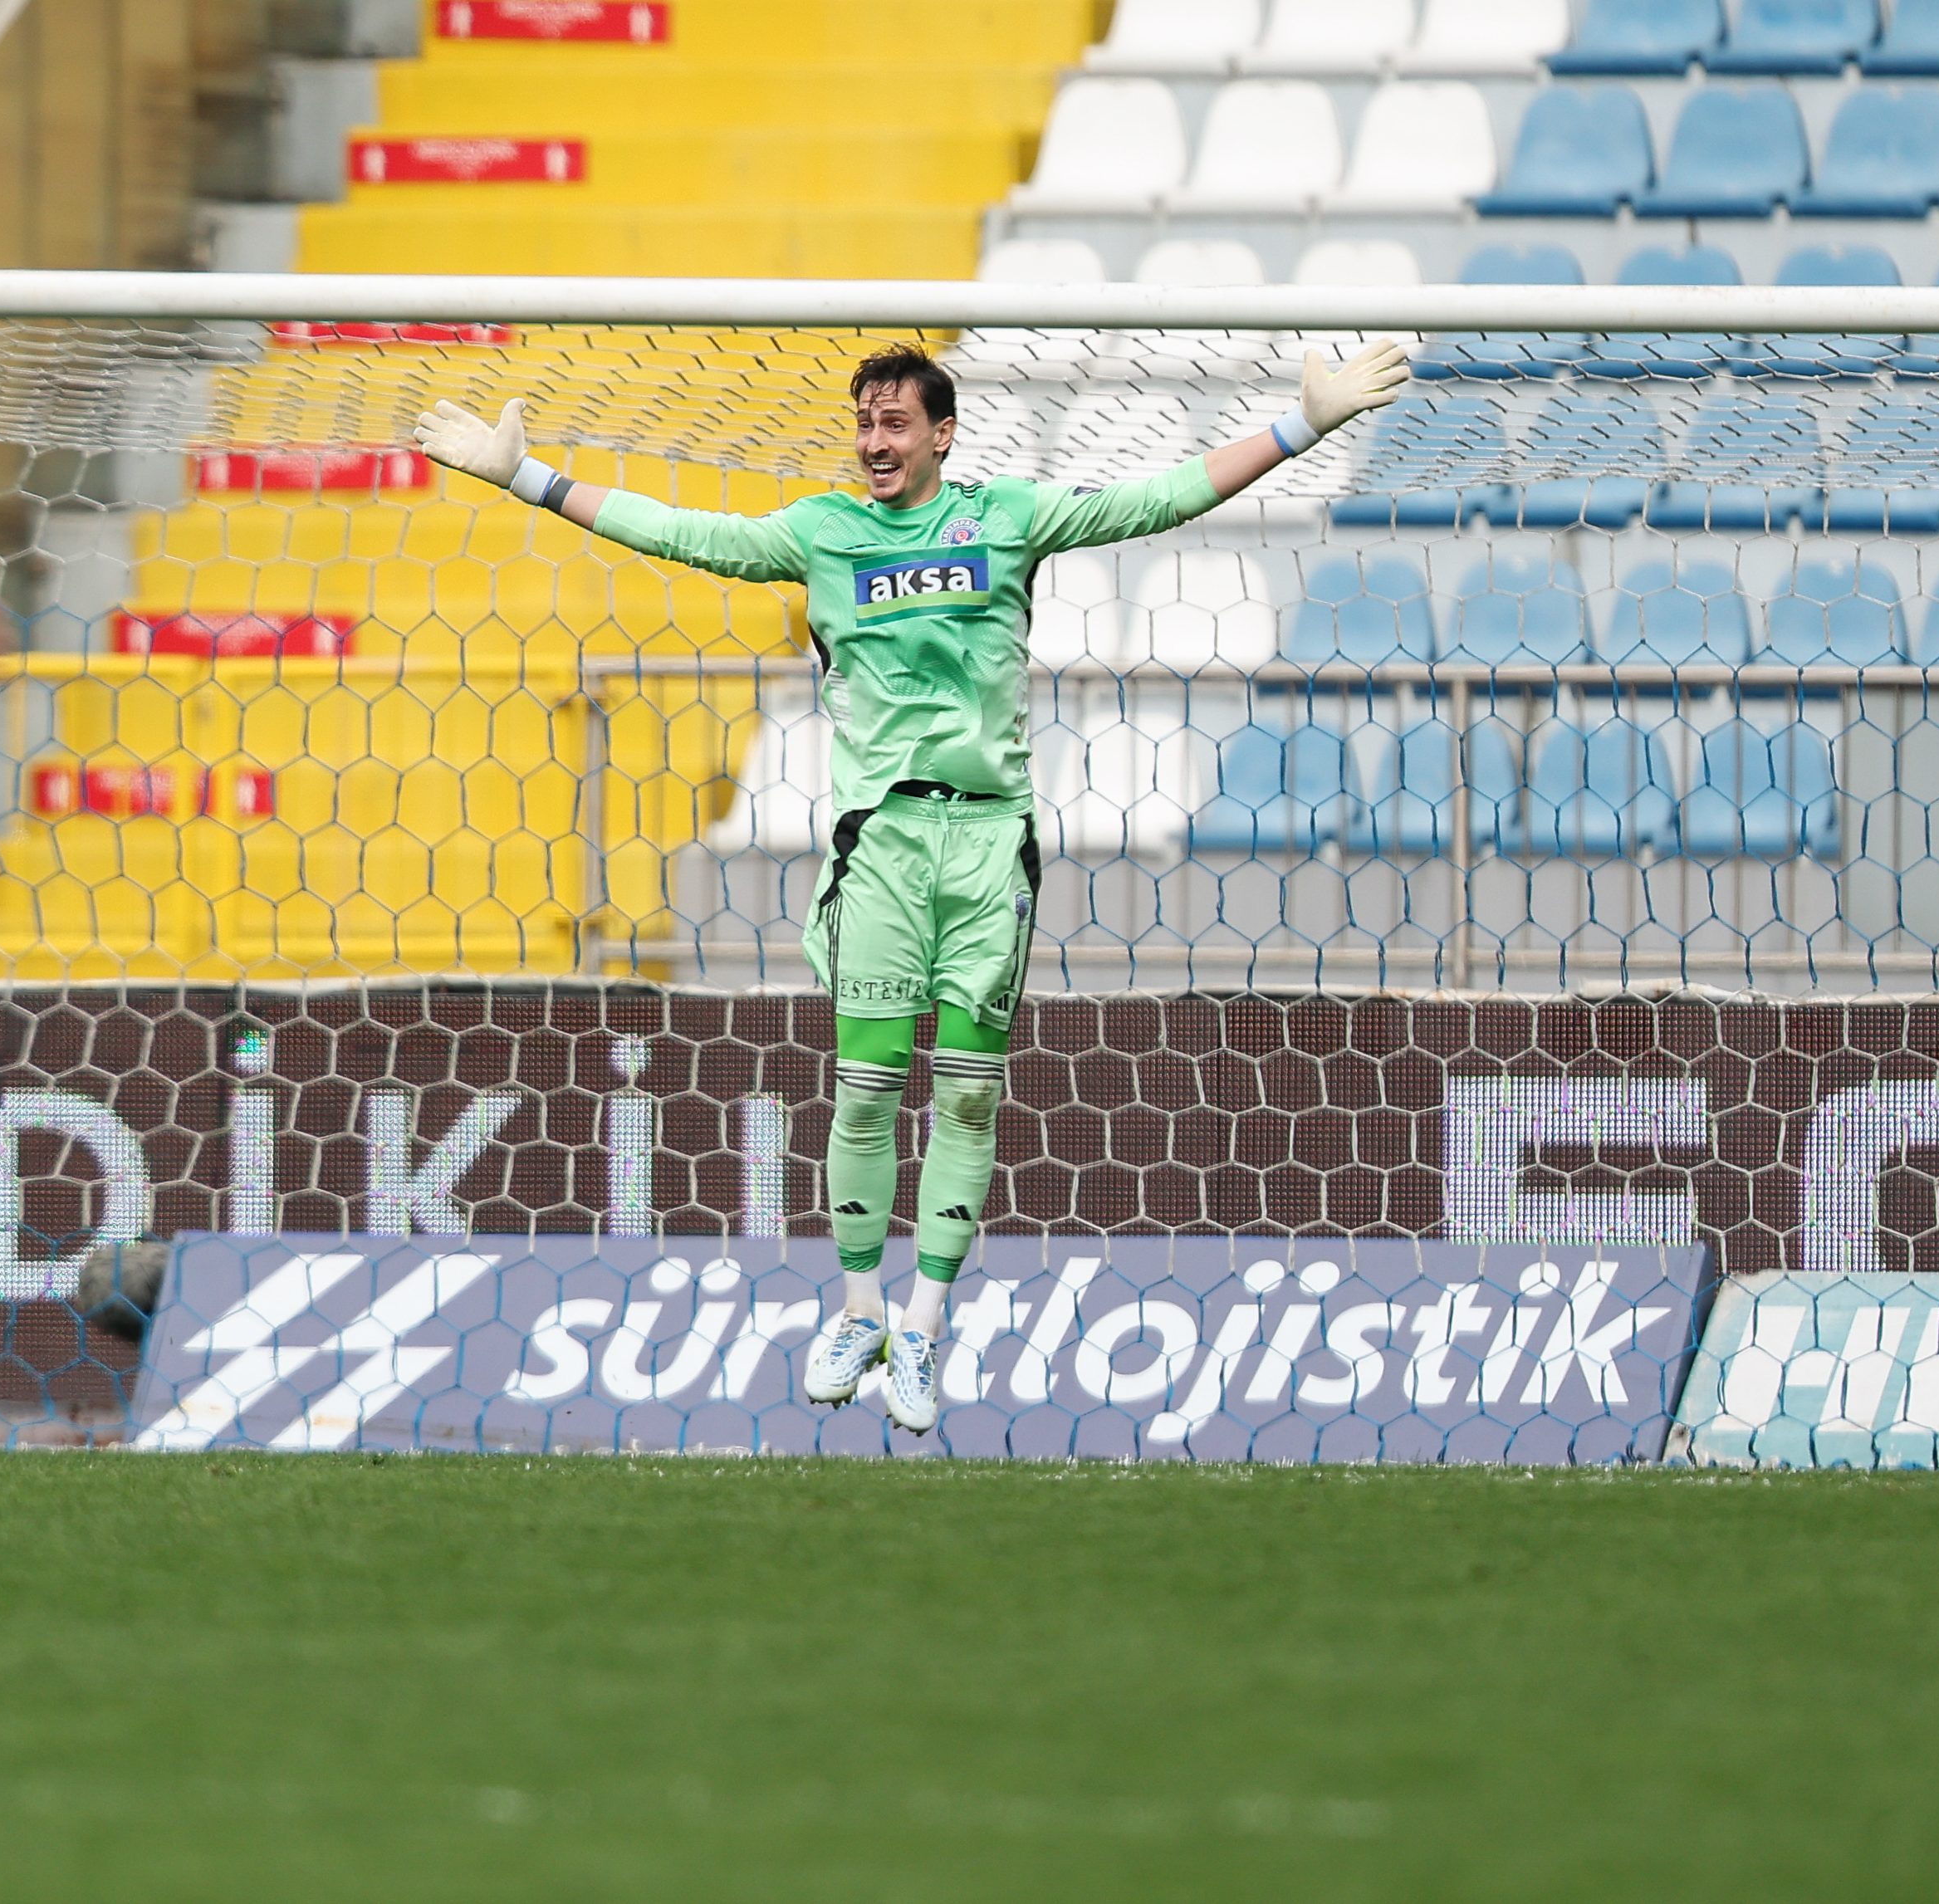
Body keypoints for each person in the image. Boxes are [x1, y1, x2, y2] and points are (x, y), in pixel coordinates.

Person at [414, 339, 1408, 1435]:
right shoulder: (822, 535)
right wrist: (524, 476)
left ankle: (924, 1322)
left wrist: (1301, 426)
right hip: (879, 846)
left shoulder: (1007, 519)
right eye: (862, 423)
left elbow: (1154, 500)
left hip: (987, 847)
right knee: (867, 1087)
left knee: (971, 1089)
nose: (872, 442)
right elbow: (687, 535)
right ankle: (854, 1308)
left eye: (892, 424)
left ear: (941, 433)